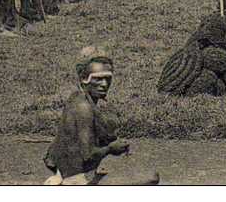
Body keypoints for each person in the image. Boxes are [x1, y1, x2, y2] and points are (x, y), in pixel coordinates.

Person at [43, 48, 157, 185]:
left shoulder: (77, 98)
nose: (104, 84)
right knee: (152, 177)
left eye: (107, 78)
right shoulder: (83, 108)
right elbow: (88, 155)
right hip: (77, 177)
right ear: (84, 79)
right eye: (98, 79)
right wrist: (110, 148)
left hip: (67, 171)